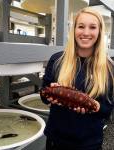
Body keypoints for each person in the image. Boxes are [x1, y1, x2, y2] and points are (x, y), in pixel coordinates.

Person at [40, 7, 114, 150]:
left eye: (92, 27)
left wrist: (95, 106)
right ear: (74, 30)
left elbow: (107, 111)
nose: (86, 32)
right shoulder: (56, 60)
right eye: (81, 26)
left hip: (89, 143)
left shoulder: (109, 68)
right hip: (56, 139)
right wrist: (50, 95)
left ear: (99, 32)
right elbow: (43, 94)